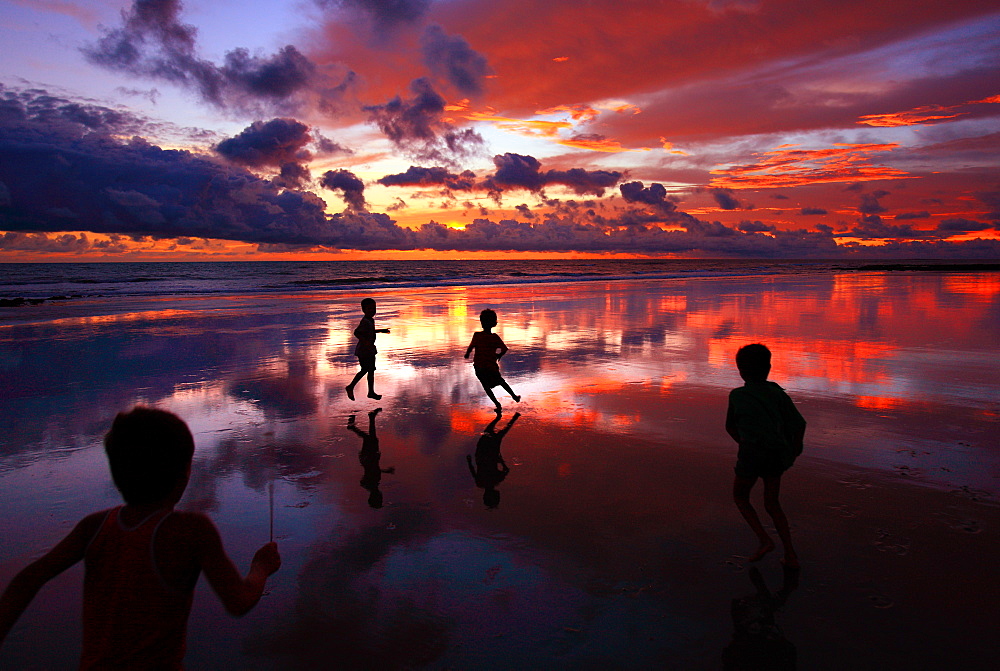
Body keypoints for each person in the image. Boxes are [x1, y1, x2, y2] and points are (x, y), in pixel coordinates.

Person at [0, 407, 281, 669]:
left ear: (117, 473)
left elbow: (28, 579)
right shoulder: (191, 530)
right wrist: (261, 568)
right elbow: (239, 602)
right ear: (184, 473)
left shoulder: (94, 526)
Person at [726, 344, 806, 569]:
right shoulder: (776, 393)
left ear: (740, 371)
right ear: (769, 367)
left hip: (750, 456)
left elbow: (730, 427)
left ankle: (764, 539)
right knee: (772, 504)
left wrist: (746, 444)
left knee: (741, 497)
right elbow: (799, 424)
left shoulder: (737, 396)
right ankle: (790, 554)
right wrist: (795, 448)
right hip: (775, 456)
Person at [464, 308, 520, 411]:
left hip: (479, 367)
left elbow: (471, 347)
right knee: (501, 382)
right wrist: (499, 356)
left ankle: (497, 404)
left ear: (482, 322)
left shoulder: (477, 335)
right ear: (494, 323)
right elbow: (504, 349)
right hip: (490, 367)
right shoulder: (495, 337)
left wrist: (467, 354)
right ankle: (514, 396)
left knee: (486, 386)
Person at [467, 412, 520, 508]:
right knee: (491, 431)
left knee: (501, 433)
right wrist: (469, 461)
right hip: (481, 453)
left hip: (490, 455)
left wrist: (501, 460)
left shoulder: (496, 480)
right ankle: (499, 417)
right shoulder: (481, 483)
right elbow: (472, 470)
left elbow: (506, 470)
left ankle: (512, 417)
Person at [347, 408, 395, 509]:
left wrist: (370, 460)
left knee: (370, 438)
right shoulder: (373, 485)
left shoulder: (371, 485)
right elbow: (375, 470)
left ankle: (368, 419)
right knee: (371, 438)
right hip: (370, 458)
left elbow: (370, 471)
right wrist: (386, 471)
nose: (381, 497)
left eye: (379, 499)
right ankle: (367, 419)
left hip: (369, 457)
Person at [346, 297, 390, 401]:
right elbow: (357, 332)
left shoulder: (370, 320)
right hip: (364, 350)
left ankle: (371, 392)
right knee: (365, 369)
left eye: (374, 309)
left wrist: (380, 331)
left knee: (371, 370)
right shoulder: (365, 321)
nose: (372, 311)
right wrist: (365, 342)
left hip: (370, 350)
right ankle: (350, 387)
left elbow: (369, 331)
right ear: (364, 310)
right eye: (369, 309)